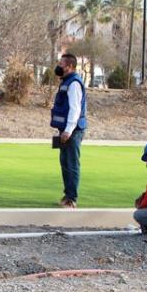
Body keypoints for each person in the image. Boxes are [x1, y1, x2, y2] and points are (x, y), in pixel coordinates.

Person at [50, 53, 87, 209]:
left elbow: (75, 108)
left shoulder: (74, 84)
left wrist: (68, 130)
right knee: (65, 163)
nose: (59, 66)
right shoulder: (66, 82)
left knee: (71, 164)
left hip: (72, 130)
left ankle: (72, 199)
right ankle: (67, 195)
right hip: (65, 129)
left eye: (61, 63)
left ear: (69, 66)